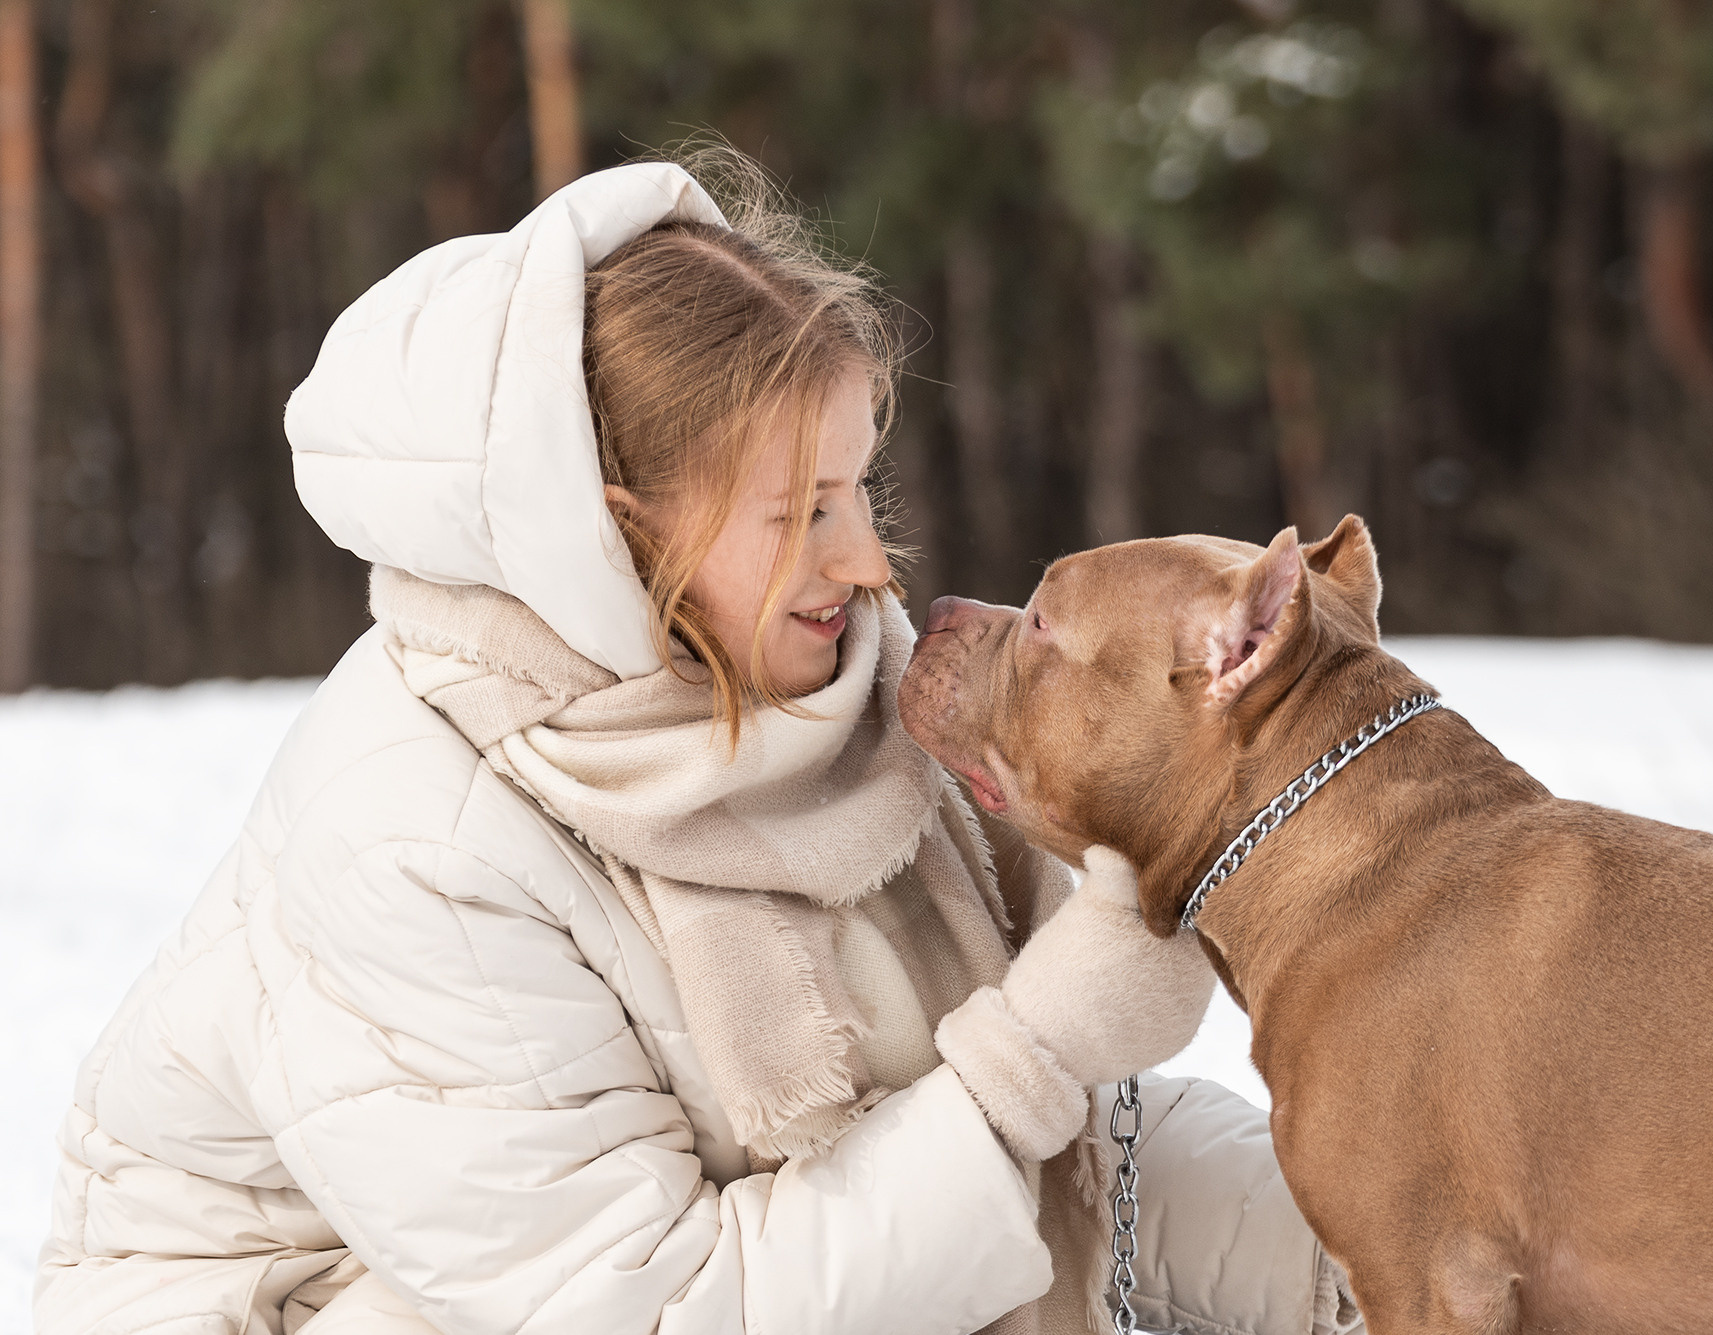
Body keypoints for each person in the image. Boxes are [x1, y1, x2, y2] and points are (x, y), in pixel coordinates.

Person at [36, 155, 1363, 1335]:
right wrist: (1037, 1051)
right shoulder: (412, 842)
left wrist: (1403, 1256)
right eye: (801, 514)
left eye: (857, 490)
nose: (867, 564)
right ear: (617, 537)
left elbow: (1062, 1168)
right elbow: (656, 1304)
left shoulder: (838, 687)